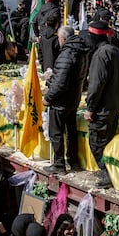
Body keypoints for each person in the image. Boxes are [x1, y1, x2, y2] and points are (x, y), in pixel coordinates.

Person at [84, 20, 119, 189]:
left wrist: (90, 108)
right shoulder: (114, 50)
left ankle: (106, 172)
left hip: (103, 107)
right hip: (115, 104)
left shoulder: (101, 55)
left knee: (96, 141)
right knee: (108, 139)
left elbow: (96, 84)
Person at [43, 26, 89, 174]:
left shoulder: (66, 54)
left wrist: (48, 98)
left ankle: (58, 164)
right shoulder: (81, 51)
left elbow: (60, 82)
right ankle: (73, 161)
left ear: (62, 38)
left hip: (61, 101)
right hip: (73, 98)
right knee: (71, 131)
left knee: (56, 133)